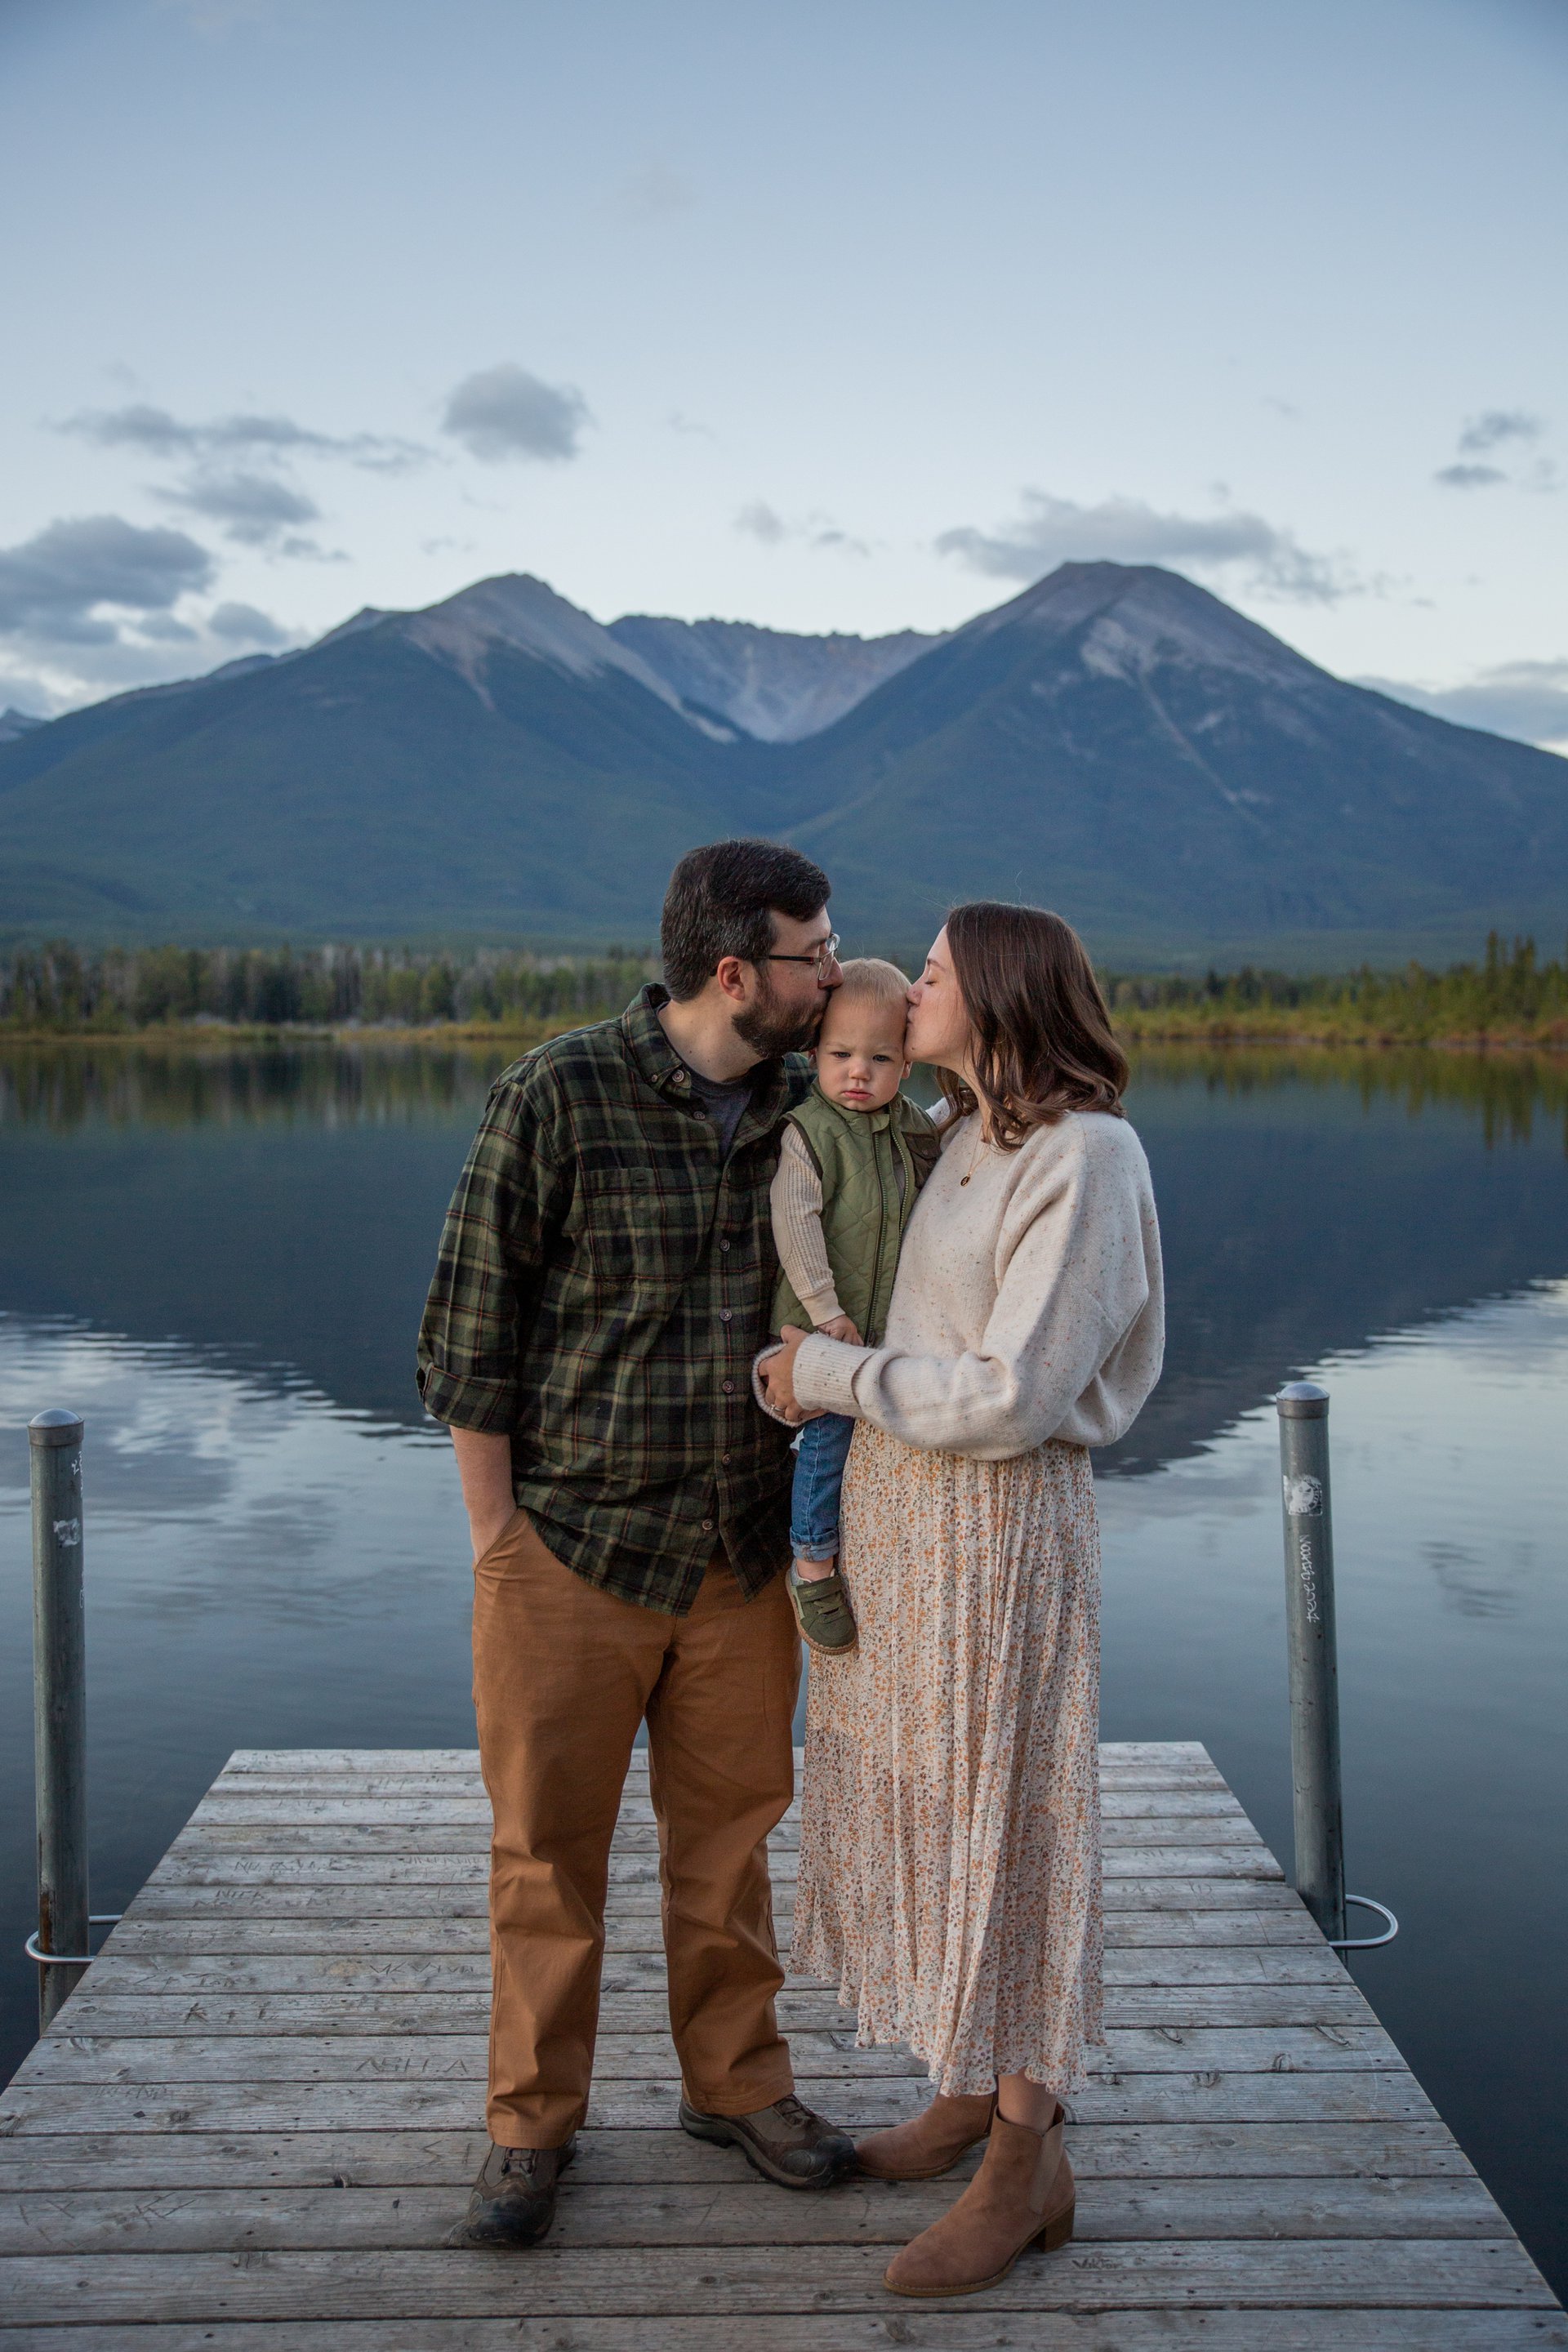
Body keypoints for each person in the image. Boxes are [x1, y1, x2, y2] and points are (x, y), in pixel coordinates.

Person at [418, 838, 858, 2252]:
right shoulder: (559, 1093)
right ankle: (529, 2129)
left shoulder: (816, 1101)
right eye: (813, 954)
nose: (834, 973)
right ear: (738, 971)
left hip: (738, 1561)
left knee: (728, 1852)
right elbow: (467, 1338)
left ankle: (734, 2090)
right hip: (571, 1553)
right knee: (546, 1857)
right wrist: (501, 1548)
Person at [760, 902, 1165, 2300]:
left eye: (926, 973)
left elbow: (1013, 1395)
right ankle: (966, 2087)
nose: (904, 987)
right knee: (936, 1812)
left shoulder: (1085, 1155)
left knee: (1017, 1828)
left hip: (995, 1535)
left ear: (991, 995)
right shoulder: (949, 1136)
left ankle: (1027, 2161)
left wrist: (823, 1377)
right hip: (901, 1528)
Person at [761, 958, 938, 1658]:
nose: (857, 1072)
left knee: (878, 1446)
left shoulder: (910, 1126)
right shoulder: (809, 1131)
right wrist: (825, 1312)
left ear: (906, 1066)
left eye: (879, 1057)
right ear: (813, 1055)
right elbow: (796, 1226)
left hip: (883, 1336)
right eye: (839, 1055)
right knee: (829, 1439)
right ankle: (812, 1564)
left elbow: (952, 1143)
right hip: (819, 1328)